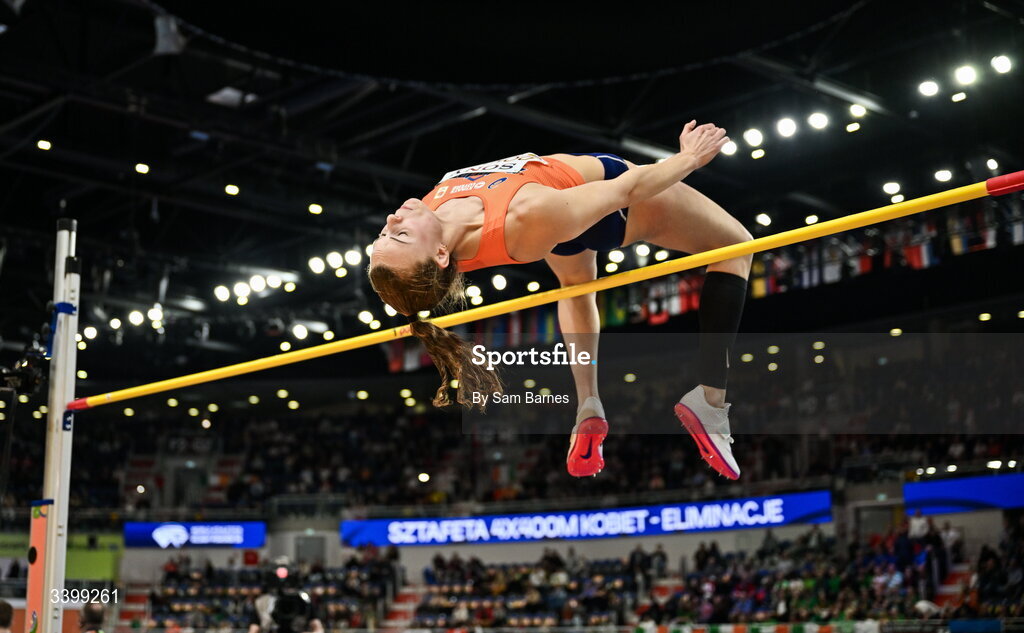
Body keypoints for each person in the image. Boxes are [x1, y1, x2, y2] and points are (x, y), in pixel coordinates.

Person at [368, 121, 751, 480]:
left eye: (382, 236)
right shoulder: (523, 217)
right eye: (399, 236)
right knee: (735, 245)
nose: (390, 221)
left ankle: (588, 405)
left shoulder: (433, 219)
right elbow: (627, 189)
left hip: (562, 212)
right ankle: (710, 399)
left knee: (575, 284)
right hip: (609, 200)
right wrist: (689, 158)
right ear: (439, 254)